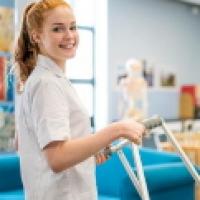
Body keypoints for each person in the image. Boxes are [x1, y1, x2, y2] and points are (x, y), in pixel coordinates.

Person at [14, 0, 145, 199]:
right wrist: (116, 129)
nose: (69, 35)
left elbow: (35, 145)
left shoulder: (47, 79)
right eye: (58, 29)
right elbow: (56, 158)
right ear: (36, 36)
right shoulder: (46, 83)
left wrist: (89, 150)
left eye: (73, 27)